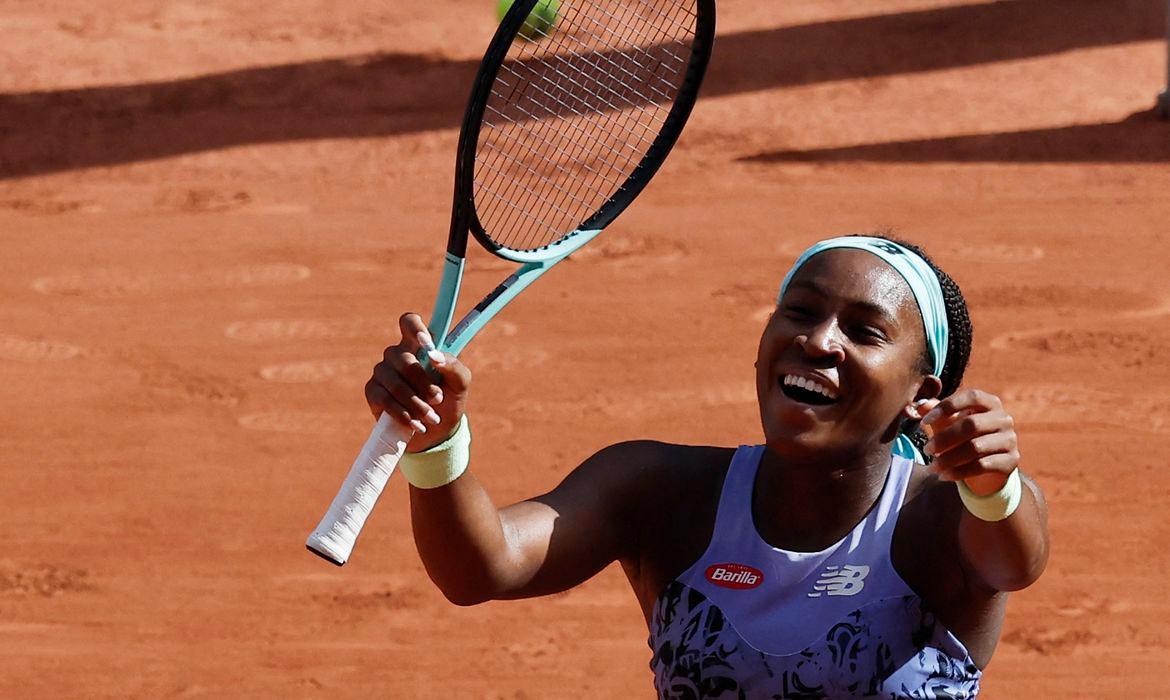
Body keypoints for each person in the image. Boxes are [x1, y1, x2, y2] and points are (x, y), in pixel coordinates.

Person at [365, 234, 1049, 698]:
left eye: (864, 331)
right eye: (801, 312)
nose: (817, 340)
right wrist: (437, 445)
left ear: (921, 396)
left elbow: (1016, 560)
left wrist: (994, 487)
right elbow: (481, 567)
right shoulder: (660, 492)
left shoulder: (939, 517)